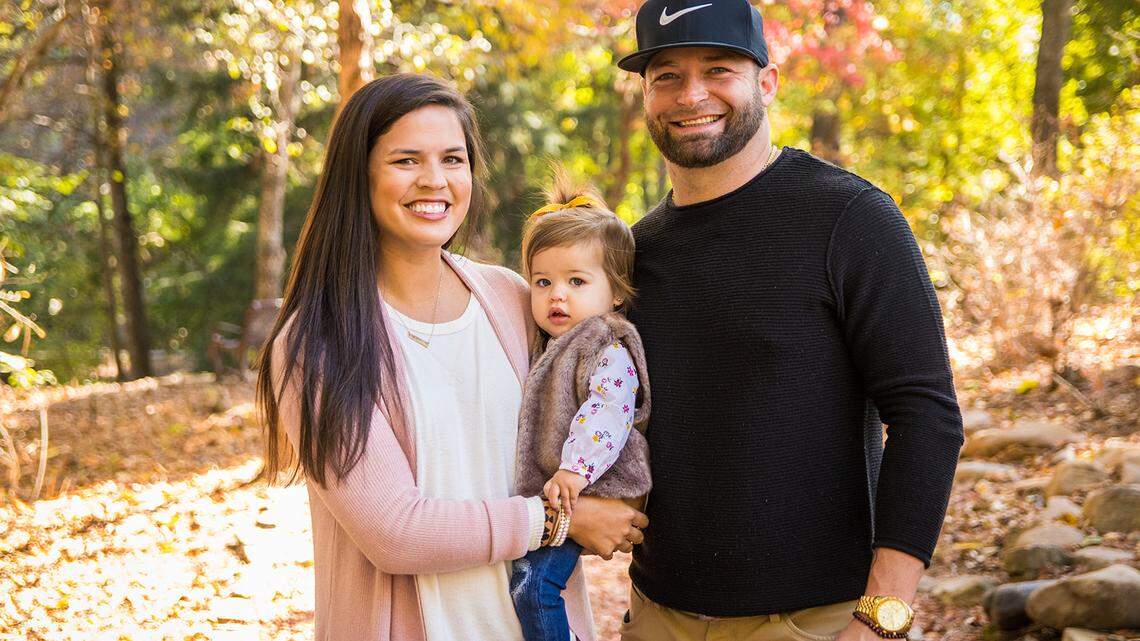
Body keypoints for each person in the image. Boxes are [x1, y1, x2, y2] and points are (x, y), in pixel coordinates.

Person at [614, 1, 965, 640]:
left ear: (767, 83)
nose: (691, 94)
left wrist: (883, 618)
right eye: (666, 75)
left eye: (718, 69)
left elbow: (926, 418)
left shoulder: (850, 219)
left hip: (814, 622)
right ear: (646, 93)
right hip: (657, 617)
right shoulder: (633, 254)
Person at [255, 73, 647, 641]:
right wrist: (558, 520)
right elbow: (395, 532)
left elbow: (606, 395)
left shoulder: (513, 298)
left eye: (453, 159)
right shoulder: (318, 342)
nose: (434, 181)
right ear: (357, 174)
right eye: (406, 160)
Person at [509, 173, 652, 641]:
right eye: (543, 281)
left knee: (534, 587)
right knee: (531, 580)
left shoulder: (604, 343)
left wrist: (576, 468)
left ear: (615, 292)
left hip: (594, 483)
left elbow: (609, 407)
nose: (557, 295)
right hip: (568, 489)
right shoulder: (553, 342)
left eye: (576, 281)